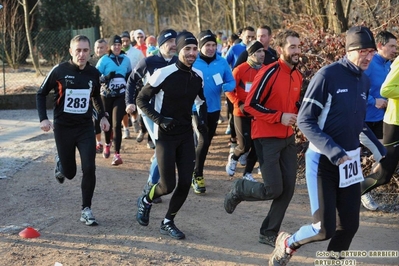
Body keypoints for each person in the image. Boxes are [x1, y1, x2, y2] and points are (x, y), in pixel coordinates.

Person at [268, 26, 386, 266]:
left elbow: (358, 122)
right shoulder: (327, 76)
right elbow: (305, 120)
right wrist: (334, 151)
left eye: (371, 52)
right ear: (349, 50)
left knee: (350, 225)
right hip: (322, 161)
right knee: (323, 228)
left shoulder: (364, 80)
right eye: (362, 51)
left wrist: (381, 152)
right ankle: (288, 243)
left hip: (350, 163)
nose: (368, 57)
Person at [224, 30, 302, 248]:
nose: (297, 51)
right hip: (266, 138)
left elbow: (292, 104)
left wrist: (300, 112)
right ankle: (240, 188)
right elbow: (250, 105)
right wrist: (280, 117)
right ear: (281, 50)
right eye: (292, 47)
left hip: (288, 139)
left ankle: (268, 232)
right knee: (273, 189)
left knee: (287, 190)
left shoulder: (297, 75)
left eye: (298, 46)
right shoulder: (269, 72)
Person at [135, 31, 207, 240]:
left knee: (185, 182)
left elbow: (201, 102)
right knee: (167, 186)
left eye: (195, 49)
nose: (192, 53)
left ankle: (168, 221)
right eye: (188, 49)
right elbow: (141, 100)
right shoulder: (163, 73)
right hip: (165, 136)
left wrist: (200, 121)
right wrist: (159, 119)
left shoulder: (198, 76)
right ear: (179, 49)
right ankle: (146, 200)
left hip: (185, 135)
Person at [36, 35, 110, 226]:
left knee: (90, 168)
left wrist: (102, 116)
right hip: (63, 128)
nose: (82, 54)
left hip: (85, 127)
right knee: (69, 173)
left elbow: (95, 97)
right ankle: (61, 163)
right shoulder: (59, 70)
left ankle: (86, 209)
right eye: (78, 50)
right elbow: (41, 93)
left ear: (89, 52)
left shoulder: (93, 73)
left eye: (85, 50)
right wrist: (43, 118)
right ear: (71, 51)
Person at [125, 28, 178, 204]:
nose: (173, 45)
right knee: (160, 146)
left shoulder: (179, 62)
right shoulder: (149, 61)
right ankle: (151, 185)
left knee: (166, 149)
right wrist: (129, 102)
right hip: (149, 110)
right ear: (161, 44)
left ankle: (152, 184)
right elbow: (132, 80)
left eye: (174, 42)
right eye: (169, 42)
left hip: (170, 111)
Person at [191, 29, 235, 194]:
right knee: (202, 139)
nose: (210, 48)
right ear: (200, 46)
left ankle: (193, 166)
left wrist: (225, 87)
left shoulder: (222, 62)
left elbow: (231, 81)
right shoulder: (193, 61)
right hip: (195, 108)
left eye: (213, 45)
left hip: (214, 108)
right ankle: (198, 175)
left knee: (205, 142)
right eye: (207, 45)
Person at [359, 30, 397, 211]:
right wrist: (374, 101)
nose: (395, 50)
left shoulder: (389, 66)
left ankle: (357, 189)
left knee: (382, 159)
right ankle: (360, 192)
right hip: (361, 120)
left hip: (380, 120)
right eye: (391, 46)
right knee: (382, 156)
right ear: (380, 46)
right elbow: (355, 89)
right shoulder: (368, 64)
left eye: (396, 47)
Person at [225, 40, 265, 182]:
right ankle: (234, 157)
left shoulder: (265, 70)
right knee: (244, 145)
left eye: (263, 51)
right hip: (241, 113)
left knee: (256, 145)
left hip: (257, 114)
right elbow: (228, 90)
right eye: (259, 52)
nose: (262, 54)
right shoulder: (240, 69)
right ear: (251, 54)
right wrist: (239, 103)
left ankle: (247, 173)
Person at [96, 35, 132, 165]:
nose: (117, 47)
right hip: (106, 96)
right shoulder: (103, 60)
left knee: (117, 124)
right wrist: (105, 78)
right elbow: (96, 77)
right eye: (114, 45)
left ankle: (117, 154)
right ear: (109, 47)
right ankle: (107, 143)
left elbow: (130, 76)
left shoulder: (126, 60)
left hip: (121, 95)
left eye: (119, 44)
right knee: (108, 123)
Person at [120, 31, 145, 139]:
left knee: (134, 104)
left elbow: (143, 64)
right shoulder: (117, 54)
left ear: (130, 40)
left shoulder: (137, 52)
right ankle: (126, 129)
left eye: (126, 40)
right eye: (122, 41)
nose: (124, 43)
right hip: (121, 83)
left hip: (135, 82)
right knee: (123, 107)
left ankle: (135, 120)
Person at [89, 38, 108, 153]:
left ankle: (108, 141)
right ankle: (99, 142)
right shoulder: (90, 61)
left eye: (102, 47)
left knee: (108, 117)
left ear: (106, 48)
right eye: (97, 47)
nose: (99, 50)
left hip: (109, 94)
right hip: (95, 94)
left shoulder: (110, 59)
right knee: (96, 119)